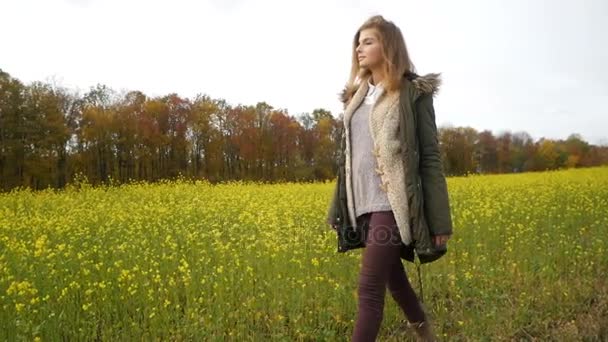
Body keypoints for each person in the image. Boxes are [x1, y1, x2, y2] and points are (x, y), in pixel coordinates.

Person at [326, 15, 454, 342]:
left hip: (390, 204)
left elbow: (429, 158)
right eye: (358, 42)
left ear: (389, 46)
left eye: (368, 41)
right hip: (361, 204)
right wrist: (336, 208)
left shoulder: (412, 93)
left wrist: (440, 222)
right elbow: (348, 160)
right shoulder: (356, 97)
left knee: (369, 288)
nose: (359, 48)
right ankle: (428, 336)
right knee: (395, 281)